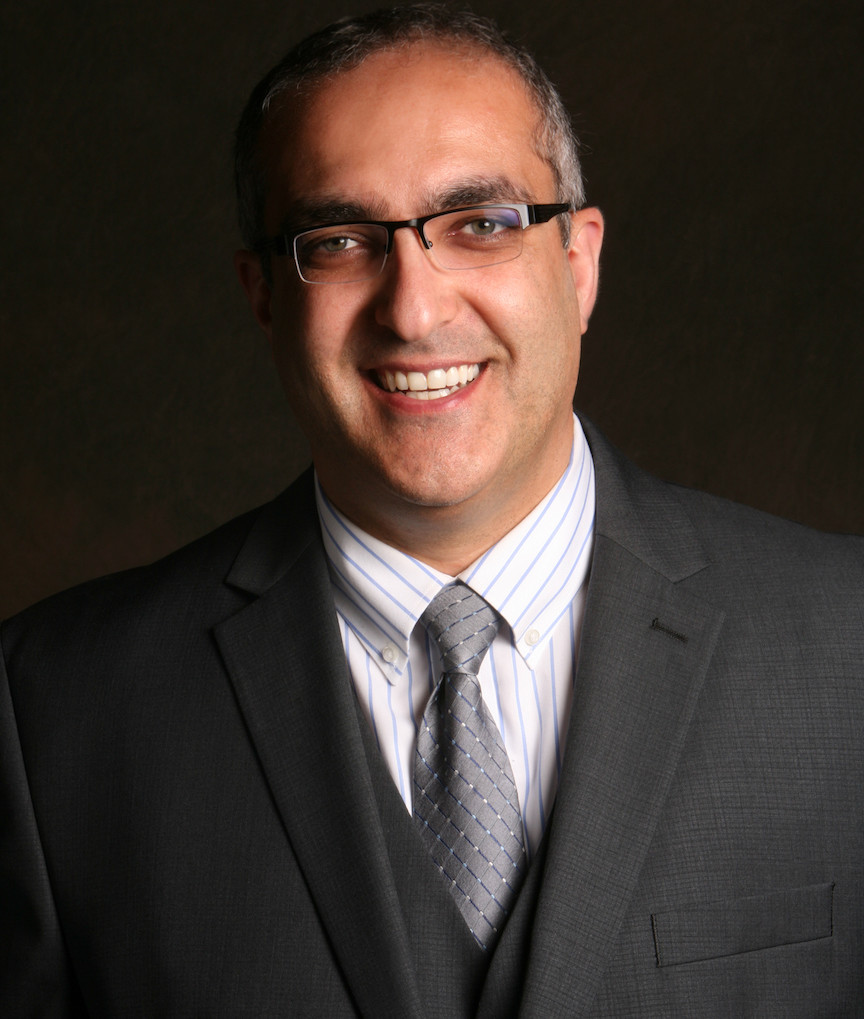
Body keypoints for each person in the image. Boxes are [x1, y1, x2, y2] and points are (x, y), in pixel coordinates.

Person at [1, 4, 862, 1015]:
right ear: (263, 295)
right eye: (340, 239)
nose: (413, 309)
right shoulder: (47, 713)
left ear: (579, 263)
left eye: (481, 224)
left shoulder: (847, 646)